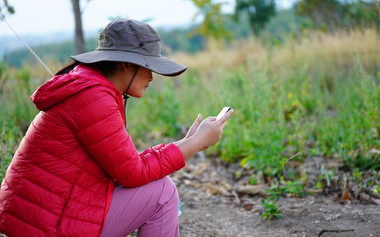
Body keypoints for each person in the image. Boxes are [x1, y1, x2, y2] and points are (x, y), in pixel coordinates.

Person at [0, 18, 233, 237]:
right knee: (162, 193)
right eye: (147, 66)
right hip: (51, 225)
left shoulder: (90, 89)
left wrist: (187, 143)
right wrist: (194, 144)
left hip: (48, 217)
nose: (151, 77)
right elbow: (133, 174)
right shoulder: (92, 97)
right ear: (125, 64)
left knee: (158, 187)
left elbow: (122, 165)